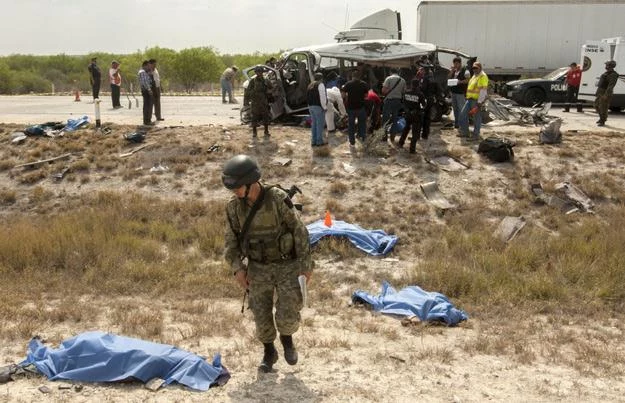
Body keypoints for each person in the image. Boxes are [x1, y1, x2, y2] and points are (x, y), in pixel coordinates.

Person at [222, 155, 312, 373]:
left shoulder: (278, 198)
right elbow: (230, 243)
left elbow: (299, 231)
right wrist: (237, 270)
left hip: (287, 265)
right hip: (258, 267)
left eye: (237, 187)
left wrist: (305, 266)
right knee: (261, 313)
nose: (234, 192)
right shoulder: (234, 208)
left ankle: (287, 340)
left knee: (288, 312)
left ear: (251, 182)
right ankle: (269, 351)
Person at [458, 61, 489, 140]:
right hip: (470, 99)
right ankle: (465, 132)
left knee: (476, 118)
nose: (474, 69)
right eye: (473, 68)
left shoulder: (482, 76)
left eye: (476, 68)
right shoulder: (474, 76)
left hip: (476, 101)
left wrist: (479, 102)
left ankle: (476, 135)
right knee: (462, 115)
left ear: (480, 68)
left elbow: (483, 90)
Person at [341, 70, 370, 147]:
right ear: (359, 77)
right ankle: (363, 139)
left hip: (351, 108)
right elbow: (366, 96)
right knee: (362, 124)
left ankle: (352, 142)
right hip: (361, 107)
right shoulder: (364, 84)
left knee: (351, 125)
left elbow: (343, 95)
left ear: (352, 76)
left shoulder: (348, 84)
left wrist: (347, 97)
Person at [398, 78, 426, 154]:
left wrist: (407, 110)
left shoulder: (406, 93)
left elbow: (403, 103)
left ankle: (400, 143)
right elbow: (424, 105)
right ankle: (412, 150)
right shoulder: (420, 94)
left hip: (407, 114)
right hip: (416, 115)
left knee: (406, 129)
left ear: (411, 84)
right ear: (418, 85)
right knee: (415, 133)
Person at [244, 65, 272, 137]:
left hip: (263, 101)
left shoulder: (266, 80)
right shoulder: (253, 81)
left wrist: (269, 92)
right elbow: (247, 92)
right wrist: (246, 101)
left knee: (265, 116)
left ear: (262, 72)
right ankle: (254, 132)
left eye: (260, 71)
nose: (259, 73)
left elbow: (271, 88)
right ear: (256, 72)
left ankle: (266, 131)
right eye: (257, 71)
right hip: (255, 101)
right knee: (254, 117)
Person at [381, 68, 406, 142]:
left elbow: (383, 91)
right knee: (395, 119)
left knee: (385, 119)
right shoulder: (403, 80)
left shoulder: (388, 78)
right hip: (398, 101)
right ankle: (392, 137)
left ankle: (384, 137)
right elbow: (404, 92)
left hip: (389, 100)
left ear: (390, 72)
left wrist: (388, 90)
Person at [595, 60, 619, 126]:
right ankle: (601, 118)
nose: (606, 66)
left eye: (607, 65)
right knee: (596, 105)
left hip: (605, 92)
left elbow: (611, 86)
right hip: (600, 92)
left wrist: (606, 95)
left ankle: (603, 120)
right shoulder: (606, 73)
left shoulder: (613, 74)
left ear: (610, 66)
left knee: (603, 107)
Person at [307, 73, 328, 147]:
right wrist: (324, 107)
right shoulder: (320, 85)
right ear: (321, 78)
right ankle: (319, 141)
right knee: (320, 124)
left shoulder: (310, 85)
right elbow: (322, 97)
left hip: (311, 106)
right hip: (318, 107)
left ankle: (313, 141)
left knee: (314, 124)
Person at [448, 57, 469, 127]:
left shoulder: (465, 70)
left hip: (460, 93)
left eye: (457, 63)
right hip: (453, 92)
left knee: (461, 109)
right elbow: (448, 77)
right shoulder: (454, 70)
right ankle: (457, 124)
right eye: (454, 63)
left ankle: (463, 125)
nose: (455, 65)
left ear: (460, 63)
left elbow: (468, 80)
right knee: (455, 109)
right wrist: (452, 70)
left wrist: (460, 82)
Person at [138, 60, 153, 126]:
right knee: (147, 106)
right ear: (145, 65)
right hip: (146, 90)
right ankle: (146, 121)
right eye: (148, 66)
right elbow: (145, 82)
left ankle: (148, 120)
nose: (149, 67)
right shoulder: (142, 72)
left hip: (146, 89)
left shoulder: (145, 72)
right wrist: (149, 90)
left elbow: (148, 80)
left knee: (148, 105)